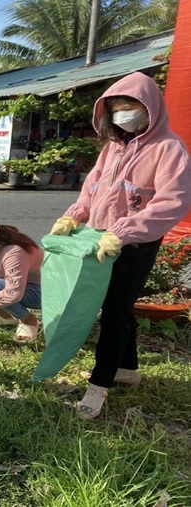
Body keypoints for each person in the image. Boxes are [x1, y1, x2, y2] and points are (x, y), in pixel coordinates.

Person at [49, 72, 191, 420]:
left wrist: (126, 231)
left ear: (150, 108)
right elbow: (91, 190)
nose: (123, 114)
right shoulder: (113, 148)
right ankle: (127, 368)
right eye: (116, 108)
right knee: (117, 307)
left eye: (131, 107)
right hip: (100, 239)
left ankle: (99, 386)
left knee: (113, 311)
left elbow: (173, 201)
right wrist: (74, 216)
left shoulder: (168, 148)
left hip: (136, 243)